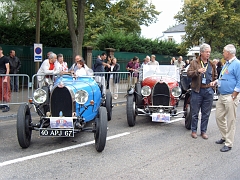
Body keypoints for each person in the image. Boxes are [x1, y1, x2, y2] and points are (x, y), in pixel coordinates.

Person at [212, 44, 240, 152]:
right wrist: (216, 82)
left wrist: (234, 95)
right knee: (219, 117)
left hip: (231, 96)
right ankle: (225, 136)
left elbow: (239, 81)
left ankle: (229, 143)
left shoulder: (237, 64)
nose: (223, 53)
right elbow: (223, 77)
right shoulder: (226, 64)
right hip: (222, 95)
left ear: (228, 53)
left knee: (231, 120)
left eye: (224, 52)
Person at [187, 43, 217, 139]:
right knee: (195, 112)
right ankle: (194, 130)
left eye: (209, 52)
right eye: (206, 52)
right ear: (201, 52)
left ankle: (203, 131)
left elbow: (215, 76)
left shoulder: (211, 64)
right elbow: (189, 74)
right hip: (197, 90)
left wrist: (213, 85)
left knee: (206, 113)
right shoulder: (194, 63)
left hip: (208, 90)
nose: (208, 54)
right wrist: (197, 71)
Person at [0, 46, 11, 112]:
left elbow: (8, 68)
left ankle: (7, 105)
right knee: (1, 90)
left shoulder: (5, 59)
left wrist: (6, 77)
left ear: (1, 51)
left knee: (5, 90)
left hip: (4, 76)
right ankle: (2, 104)